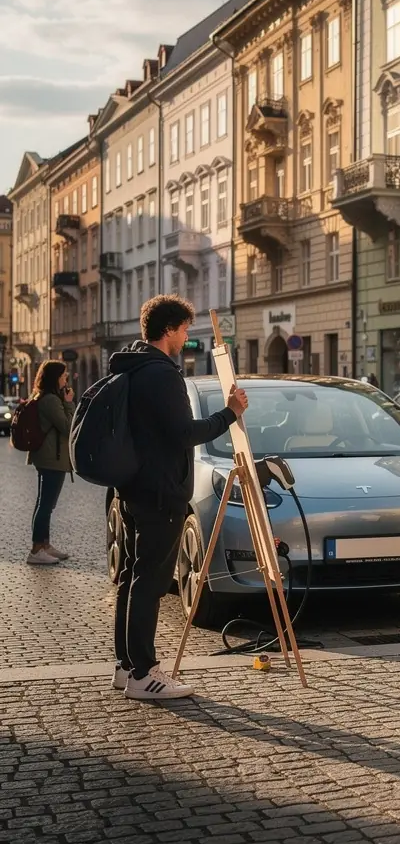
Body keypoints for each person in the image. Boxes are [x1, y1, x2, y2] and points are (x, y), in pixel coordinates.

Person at [109, 295, 247, 700]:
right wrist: (229, 413)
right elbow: (184, 433)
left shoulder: (134, 367)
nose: (187, 337)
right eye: (184, 329)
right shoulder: (162, 374)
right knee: (150, 584)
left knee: (133, 580)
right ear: (168, 330)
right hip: (161, 491)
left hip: (136, 488)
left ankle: (125, 666)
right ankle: (144, 674)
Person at [25, 359, 75, 565]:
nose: (66, 379)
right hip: (51, 459)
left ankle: (44, 545)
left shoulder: (46, 397)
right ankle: (37, 549)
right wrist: (69, 402)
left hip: (47, 457)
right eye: (64, 376)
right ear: (56, 378)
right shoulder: (51, 400)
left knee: (44, 503)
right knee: (46, 505)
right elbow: (68, 426)